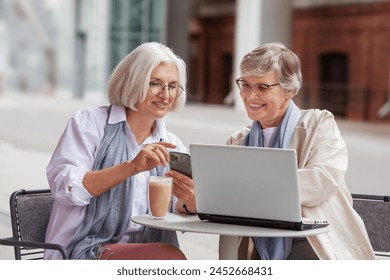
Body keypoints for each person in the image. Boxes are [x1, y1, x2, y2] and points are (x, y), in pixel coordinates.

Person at [224, 42, 375, 259]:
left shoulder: (320, 123)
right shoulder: (237, 141)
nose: (250, 96)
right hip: (256, 246)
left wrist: (250, 186)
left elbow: (322, 181)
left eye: (262, 87)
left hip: (313, 243)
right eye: (245, 85)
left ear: (290, 90)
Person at [44, 42, 190, 260]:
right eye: (155, 84)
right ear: (133, 82)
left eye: (172, 86)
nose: (165, 95)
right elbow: (66, 187)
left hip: (147, 249)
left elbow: (181, 206)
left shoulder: (171, 144)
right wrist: (131, 167)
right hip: (86, 249)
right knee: (171, 259)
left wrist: (196, 198)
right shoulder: (90, 124)